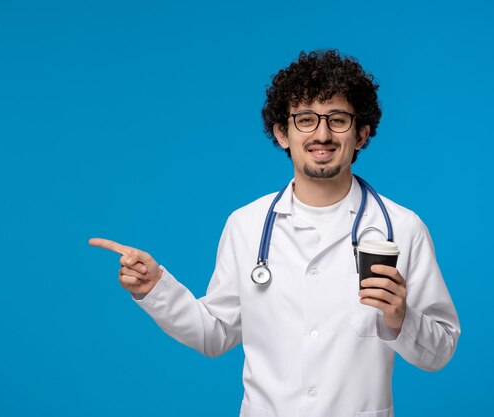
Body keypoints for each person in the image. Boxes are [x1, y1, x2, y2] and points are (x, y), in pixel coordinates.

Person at [89, 50, 460, 417]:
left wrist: (401, 318)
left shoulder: (403, 228)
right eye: (306, 120)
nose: (322, 134)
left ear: (361, 134)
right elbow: (214, 335)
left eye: (338, 119)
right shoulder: (246, 225)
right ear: (282, 133)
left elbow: (440, 352)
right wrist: (155, 288)